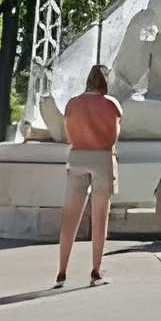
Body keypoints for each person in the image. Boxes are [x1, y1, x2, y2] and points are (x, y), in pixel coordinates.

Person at [56, 62, 123, 287]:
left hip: (77, 158)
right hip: (102, 158)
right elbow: (113, 138)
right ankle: (95, 270)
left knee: (70, 217)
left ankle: (62, 270)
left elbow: (68, 136)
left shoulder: (72, 104)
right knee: (100, 217)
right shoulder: (111, 104)